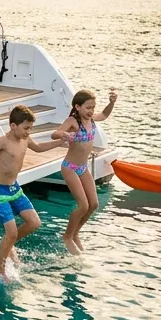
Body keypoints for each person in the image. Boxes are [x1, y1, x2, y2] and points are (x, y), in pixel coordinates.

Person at [0, 105, 58, 281]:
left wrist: (60, 142)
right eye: (26, 128)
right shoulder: (3, 142)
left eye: (30, 128)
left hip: (14, 189)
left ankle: (9, 245)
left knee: (34, 223)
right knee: (11, 233)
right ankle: (0, 268)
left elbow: (39, 148)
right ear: (13, 126)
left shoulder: (26, 139)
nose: (28, 132)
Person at [50, 89, 116, 255]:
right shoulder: (73, 121)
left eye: (93, 107)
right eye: (88, 107)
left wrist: (112, 103)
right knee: (83, 205)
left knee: (93, 204)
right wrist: (65, 134)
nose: (91, 111)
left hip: (83, 168)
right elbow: (54, 134)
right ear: (77, 107)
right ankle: (67, 236)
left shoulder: (92, 119)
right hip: (70, 168)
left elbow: (105, 115)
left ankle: (75, 233)